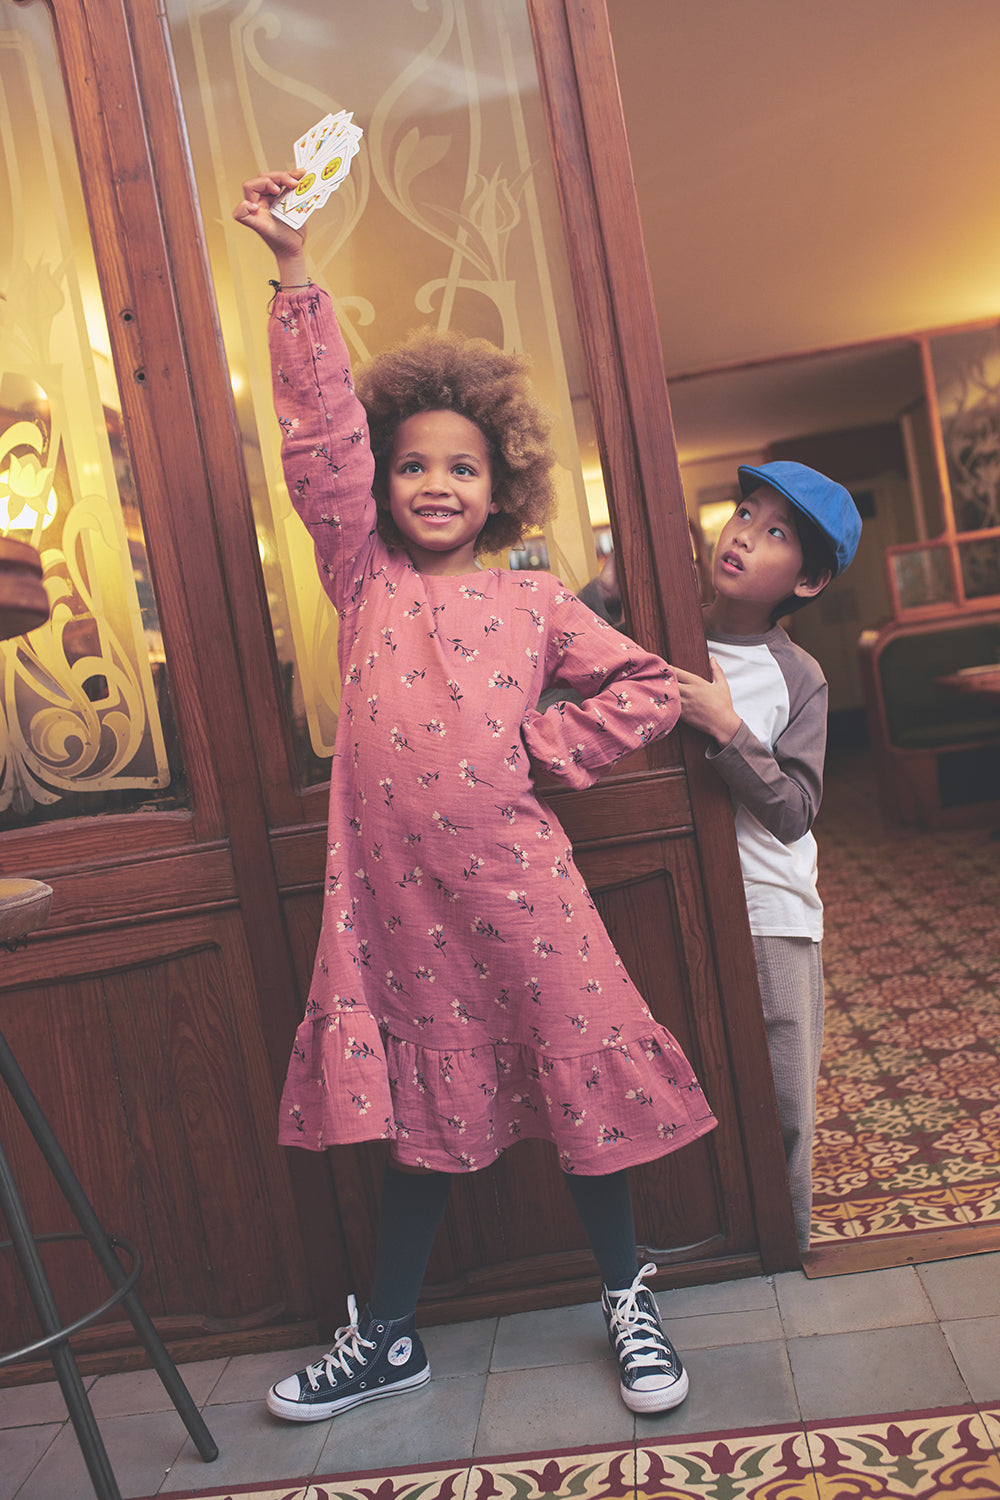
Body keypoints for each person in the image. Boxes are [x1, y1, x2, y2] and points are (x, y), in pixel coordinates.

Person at [233, 168, 718, 1424]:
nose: (433, 485)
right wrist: (295, 278)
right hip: (394, 907)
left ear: (502, 485)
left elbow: (649, 686)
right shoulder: (363, 577)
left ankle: (626, 1297)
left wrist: (538, 754)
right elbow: (323, 438)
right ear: (380, 490)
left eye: (461, 468)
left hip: (526, 891)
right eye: (411, 469)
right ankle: (387, 1336)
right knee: (418, 1117)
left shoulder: (534, 600)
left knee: (577, 1086)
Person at [673, 462, 862, 1253]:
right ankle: (708, 1245)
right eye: (744, 512)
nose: (744, 534)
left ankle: (786, 1250)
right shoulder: (668, 627)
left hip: (773, 909)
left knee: (784, 1097)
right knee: (692, 1081)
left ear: (809, 580)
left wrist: (726, 726)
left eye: (775, 531)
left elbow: (794, 812)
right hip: (677, 893)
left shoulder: (800, 677)